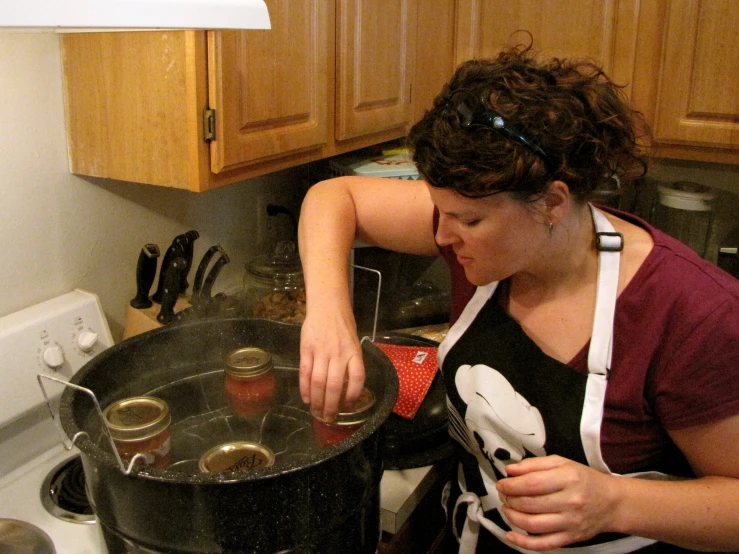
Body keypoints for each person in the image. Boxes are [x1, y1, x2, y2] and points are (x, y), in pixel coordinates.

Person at [297, 43, 739, 553]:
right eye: (441, 211)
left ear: (552, 201)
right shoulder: (478, 234)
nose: (441, 236)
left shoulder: (691, 313)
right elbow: (334, 197)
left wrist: (615, 501)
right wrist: (330, 314)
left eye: (469, 220)